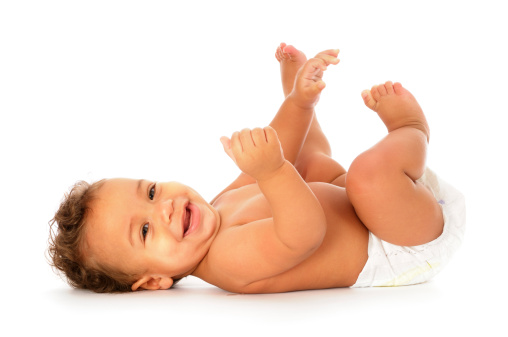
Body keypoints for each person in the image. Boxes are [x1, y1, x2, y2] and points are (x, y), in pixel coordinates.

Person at [48, 43, 465, 293]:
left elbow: (277, 149)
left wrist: (297, 104)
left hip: (366, 210)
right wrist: (272, 172)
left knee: (305, 161)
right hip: (400, 242)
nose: (165, 209)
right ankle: (411, 129)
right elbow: (304, 231)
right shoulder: (228, 263)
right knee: (364, 177)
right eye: (144, 230)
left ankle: (302, 100)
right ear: (153, 281)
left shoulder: (216, 207)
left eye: (152, 192)